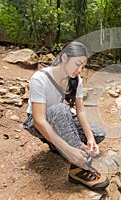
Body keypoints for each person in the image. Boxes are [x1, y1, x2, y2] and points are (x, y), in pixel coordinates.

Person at [23, 41, 109, 191]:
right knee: (60, 109)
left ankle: (58, 144)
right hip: (39, 123)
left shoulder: (76, 80)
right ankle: (79, 168)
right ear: (64, 58)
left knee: (99, 134)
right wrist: (69, 150)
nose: (79, 70)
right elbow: (38, 121)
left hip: (62, 119)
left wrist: (90, 139)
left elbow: (80, 111)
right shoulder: (39, 78)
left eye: (82, 66)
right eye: (77, 64)